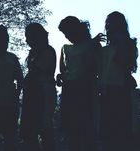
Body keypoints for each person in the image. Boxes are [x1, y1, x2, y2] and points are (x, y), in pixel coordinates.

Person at [57, 16, 100, 151]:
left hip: (85, 89)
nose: (67, 37)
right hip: (69, 89)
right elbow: (63, 70)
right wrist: (60, 76)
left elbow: (95, 68)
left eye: (68, 33)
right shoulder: (65, 48)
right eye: (65, 34)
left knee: (86, 127)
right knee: (71, 129)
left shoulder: (92, 45)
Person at [98, 11, 138, 151]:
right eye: (107, 24)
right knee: (107, 132)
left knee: (122, 129)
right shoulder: (104, 50)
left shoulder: (129, 45)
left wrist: (121, 43)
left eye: (112, 24)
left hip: (121, 91)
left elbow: (127, 65)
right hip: (105, 92)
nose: (109, 27)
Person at [20, 23, 57, 151]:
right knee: (29, 131)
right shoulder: (34, 53)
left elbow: (35, 72)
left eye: (28, 37)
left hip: (43, 93)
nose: (26, 40)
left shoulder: (48, 51)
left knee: (44, 128)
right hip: (32, 94)